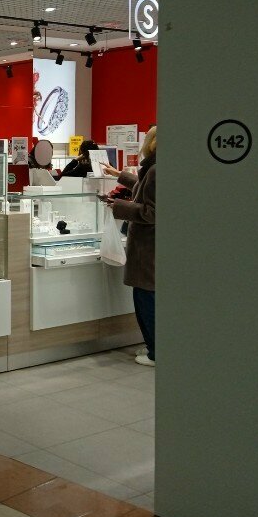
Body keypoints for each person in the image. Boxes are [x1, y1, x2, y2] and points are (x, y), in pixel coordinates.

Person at [101, 126, 157, 367]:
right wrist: (119, 175)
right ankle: (153, 346)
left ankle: (156, 352)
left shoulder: (155, 169)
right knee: (146, 296)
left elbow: (152, 211)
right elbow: (144, 188)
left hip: (148, 246)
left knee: (146, 298)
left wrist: (119, 206)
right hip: (149, 246)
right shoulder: (156, 168)